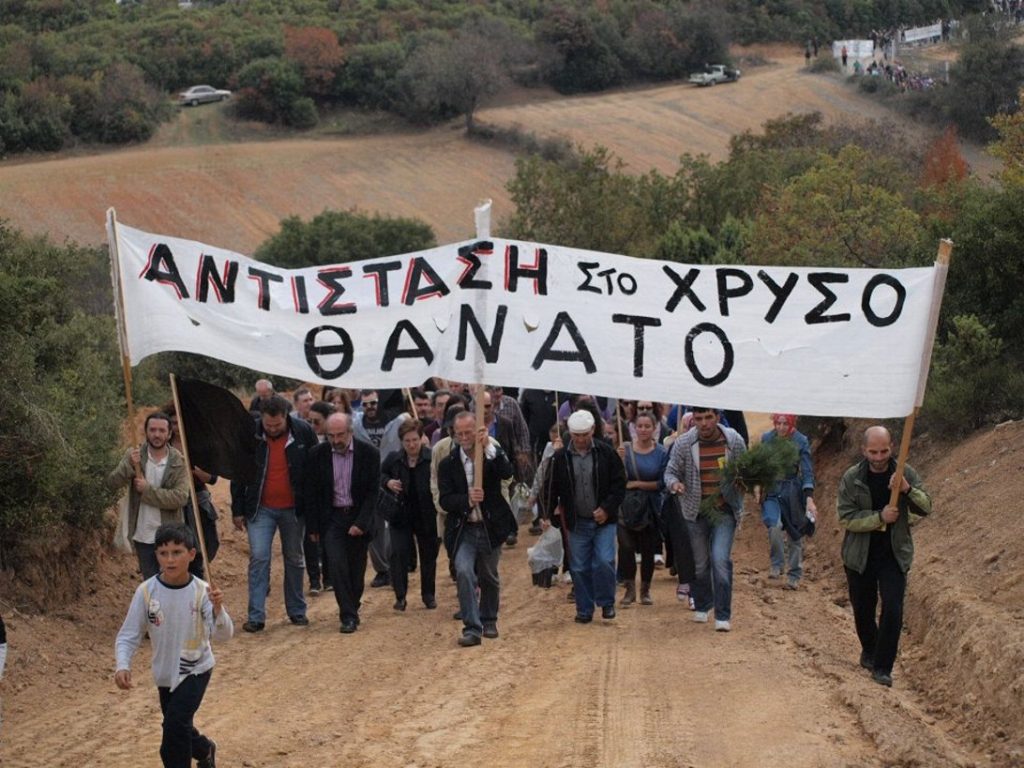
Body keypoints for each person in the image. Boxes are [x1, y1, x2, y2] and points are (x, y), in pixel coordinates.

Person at [114, 523, 232, 768]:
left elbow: (223, 635)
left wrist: (219, 610)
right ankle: (204, 749)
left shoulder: (202, 592)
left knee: (174, 727)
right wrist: (122, 665)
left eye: (177, 552)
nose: (170, 559)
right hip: (165, 674)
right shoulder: (146, 592)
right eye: (163, 553)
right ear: (155, 555)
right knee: (177, 724)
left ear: (191, 554)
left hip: (196, 669)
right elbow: (129, 634)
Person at [837, 426, 931, 687]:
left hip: (893, 554)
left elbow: (926, 507)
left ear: (892, 447)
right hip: (860, 556)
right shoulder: (852, 477)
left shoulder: (905, 473)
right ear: (863, 450)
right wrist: (879, 518)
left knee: (893, 608)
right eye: (873, 452)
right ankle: (870, 650)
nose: (879, 457)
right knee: (863, 610)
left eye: (884, 451)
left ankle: (883, 667)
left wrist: (907, 490)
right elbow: (846, 517)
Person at [231, 395, 317, 632]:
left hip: (294, 508)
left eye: (277, 425)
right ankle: (256, 616)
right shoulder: (250, 434)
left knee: (294, 558)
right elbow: (239, 472)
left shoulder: (304, 432)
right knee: (259, 557)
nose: (272, 429)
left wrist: (314, 509)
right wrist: (237, 509)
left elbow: (315, 470)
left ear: (286, 417)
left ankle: (297, 611)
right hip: (260, 508)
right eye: (268, 425)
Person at [664, 406, 746, 632]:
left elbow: (745, 470)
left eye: (708, 417)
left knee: (720, 560)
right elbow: (670, 472)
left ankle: (723, 614)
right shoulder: (683, 443)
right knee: (700, 564)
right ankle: (702, 603)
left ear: (717, 417)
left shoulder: (734, 441)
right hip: (695, 511)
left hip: (724, 510)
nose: (704, 423)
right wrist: (674, 484)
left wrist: (743, 482)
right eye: (698, 418)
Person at [438, 411, 515, 646]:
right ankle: (472, 627)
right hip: (465, 529)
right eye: (459, 433)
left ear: (477, 430)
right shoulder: (448, 464)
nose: (463, 437)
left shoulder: (490, 454)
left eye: (468, 432)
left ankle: (489, 618)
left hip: (490, 526)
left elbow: (507, 472)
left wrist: (490, 447)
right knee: (463, 571)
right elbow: (445, 500)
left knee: (488, 575)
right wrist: (467, 499)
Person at [543, 410, 626, 624]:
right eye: (576, 435)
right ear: (570, 433)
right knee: (579, 567)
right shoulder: (560, 458)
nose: (580, 439)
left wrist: (607, 508)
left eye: (584, 434)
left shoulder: (607, 453)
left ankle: (607, 602)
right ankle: (584, 608)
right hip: (576, 521)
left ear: (592, 431)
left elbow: (619, 485)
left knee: (604, 561)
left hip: (603, 521)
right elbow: (550, 487)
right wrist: (548, 514)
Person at [306, 412, 380, 633]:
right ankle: (347, 615)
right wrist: (313, 527)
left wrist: (361, 523)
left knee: (356, 570)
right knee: (337, 565)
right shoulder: (317, 454)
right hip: (332, 518)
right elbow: (312, 493)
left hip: (358, 515)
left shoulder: (369, 453)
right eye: (331, 436)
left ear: (350, 432)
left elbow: (372, 492)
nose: (336, 441)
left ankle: (352, 604)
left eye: (340, 435)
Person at [109, 412, 190, 579]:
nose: (157, 435)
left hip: (170, 536)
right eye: (152, 430)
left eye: (161, 430)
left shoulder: (178, 461)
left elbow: (180, 497)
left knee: (171, 581)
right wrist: (129, 465)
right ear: (146, 432)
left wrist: (147, 491)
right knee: (151, 582)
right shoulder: (135, 455)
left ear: (169, 434)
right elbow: (113, 483)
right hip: (142, 534)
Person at [382, 420, 439, 611]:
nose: (412, 445)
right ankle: (400, 596)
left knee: (428, 555)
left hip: (426, 514)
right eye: (407, 441)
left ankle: (428, 594)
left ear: (422, 438)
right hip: (401, 514)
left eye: (415, 440)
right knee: (398, 554)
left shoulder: (432, 458)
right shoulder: (394, 459)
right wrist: (388, 482)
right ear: (401, 442)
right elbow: (378, 476)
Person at [758, 414, 817, 590]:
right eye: (778, 423)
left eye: (786, 424)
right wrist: (758, 486)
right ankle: (777, 563)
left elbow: (807, 471)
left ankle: (794, 574)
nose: (782, 427)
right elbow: (761, 464)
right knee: (773, 526)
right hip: (772, 490)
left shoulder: (800, 440)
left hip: (792, 490)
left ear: (792, 424)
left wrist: (809, 498)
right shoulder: (767, 439)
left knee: (795, 533)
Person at [617, 412, 669, 606]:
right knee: (626, 547)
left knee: (648, 549)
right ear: (634, 427)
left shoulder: (662, 452)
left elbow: (662, 483)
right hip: (626, 506)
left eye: (648, 426)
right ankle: (629, 590)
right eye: (640, 426)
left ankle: (645, 590)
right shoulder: (625, 450)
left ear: (655, 428)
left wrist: (637, 483)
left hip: (650, 508)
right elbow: (619, 479)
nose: (643, 430)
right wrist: (618, 459)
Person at [163, 405, 220, 581]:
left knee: (199, 550)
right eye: (173, 423)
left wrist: (199, 473)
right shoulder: (163, 446)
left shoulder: (199, 445)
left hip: (197, 502)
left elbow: (212, 478)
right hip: (171, 505)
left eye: (180, 422)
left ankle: (198, 593)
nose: (177, 427)